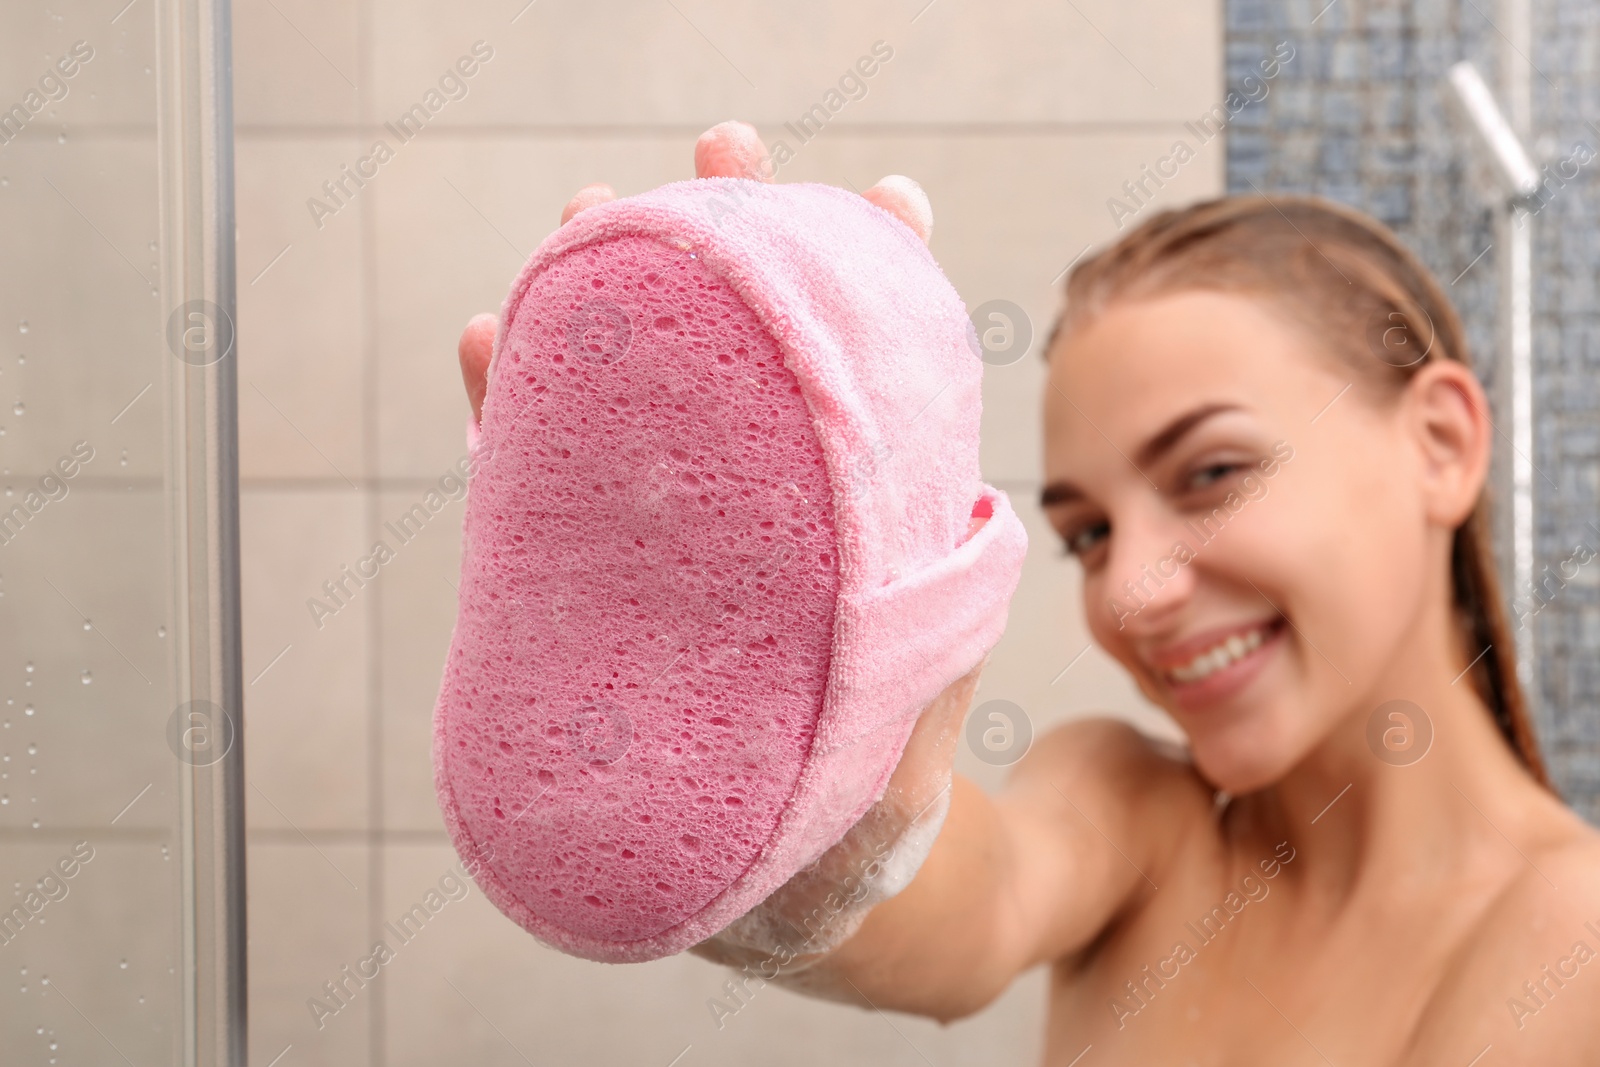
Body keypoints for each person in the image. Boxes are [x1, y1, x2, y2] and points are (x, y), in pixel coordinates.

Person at [454, 124, 1600, 1064]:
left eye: (1210, 473)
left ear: (1442, 443)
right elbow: (955, 906)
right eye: (1087, 533)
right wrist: (694, 641)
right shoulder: (1134, 818)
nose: (1134, 591)